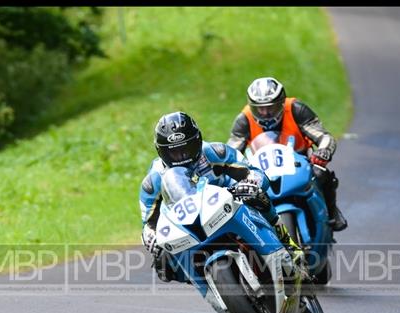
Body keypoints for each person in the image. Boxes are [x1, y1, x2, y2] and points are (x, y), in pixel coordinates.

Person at [139, 110, 303, 283]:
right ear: (161, 152)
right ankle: (204, 283)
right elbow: (148, 223)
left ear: (198, 141)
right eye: (174, 153)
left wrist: (250, 184)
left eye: (187, 149)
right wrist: (153, 239)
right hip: (188, 221)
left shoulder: (214, 152)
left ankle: (287, 244)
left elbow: (255, 172)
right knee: (163, 263)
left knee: (258, 196)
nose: (182, 157)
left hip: (227, 200)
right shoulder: (153, 180)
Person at [227, 76, 348, 231]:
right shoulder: (244, 119)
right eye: (259, 108)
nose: (265, 113)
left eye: (271, 107)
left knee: (321, 173)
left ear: (282, 103)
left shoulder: (296, 109)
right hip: (263, 170)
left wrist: (323, 151)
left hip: (299, 163)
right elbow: (231, 151)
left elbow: (324, 136)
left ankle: (332, 213)